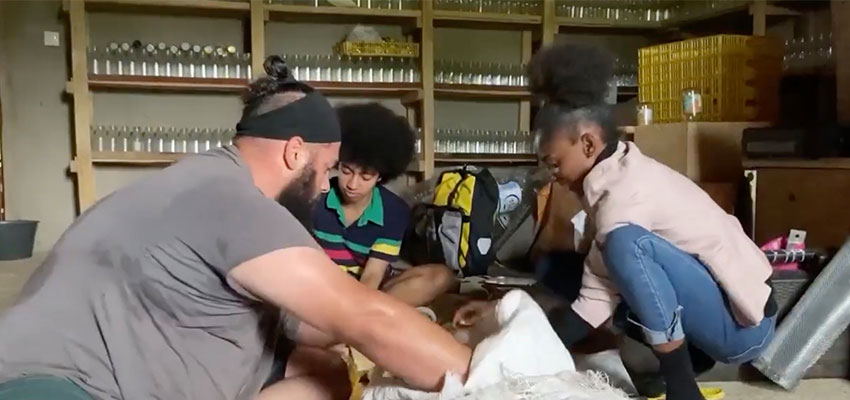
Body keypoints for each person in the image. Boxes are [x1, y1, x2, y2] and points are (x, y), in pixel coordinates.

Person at [0, 56, 471, 400]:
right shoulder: (234, 202)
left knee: (326, 373)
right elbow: (366, 317)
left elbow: (312, 325)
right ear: (295, 153)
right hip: (56, 384)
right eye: (329, 169)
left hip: (72, 361)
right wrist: (490, 373)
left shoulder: (201, 178)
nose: (329, 184)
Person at [454, 43, 777, 400]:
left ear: (589, 144)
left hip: (742, 327)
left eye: (555, 163)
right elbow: (593, 298)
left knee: (625, 246)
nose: (552, 175)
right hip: (713, 309)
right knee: (559, 268)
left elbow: (616, 260)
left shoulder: (625, 196)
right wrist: (505, 323)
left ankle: (683, 387)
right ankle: (664, 370)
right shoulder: (611, 181)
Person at [312, 103, 455, 307]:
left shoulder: (394, 211)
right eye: (346, 171)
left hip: (371, 290)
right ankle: (372, 319)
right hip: (325, 289)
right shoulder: (315, 198)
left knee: (441, 276)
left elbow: (373, 274)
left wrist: (359, 306)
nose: (352, 184)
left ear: (380, 176)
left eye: (366, 176)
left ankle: (363, 320)